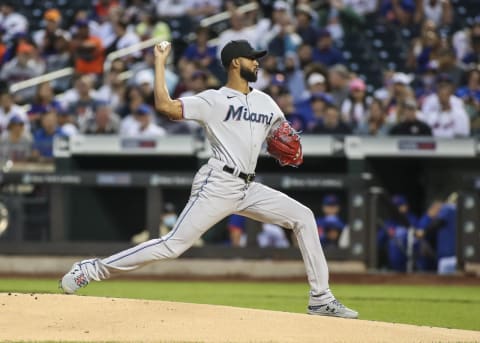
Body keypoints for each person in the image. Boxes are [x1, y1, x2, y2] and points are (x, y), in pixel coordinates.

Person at [60, 39, 358, 319]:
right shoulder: (213, 100)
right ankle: (92, 269)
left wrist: (288, 144)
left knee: (303, 216)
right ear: (233, 63)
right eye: (251, 58)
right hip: (218, 183)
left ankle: (320, 298)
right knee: (173, 245)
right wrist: (160, 62)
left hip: (248, 186)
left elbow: (283, 135)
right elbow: (166, 106)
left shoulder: (267, 101)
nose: (256, 63)